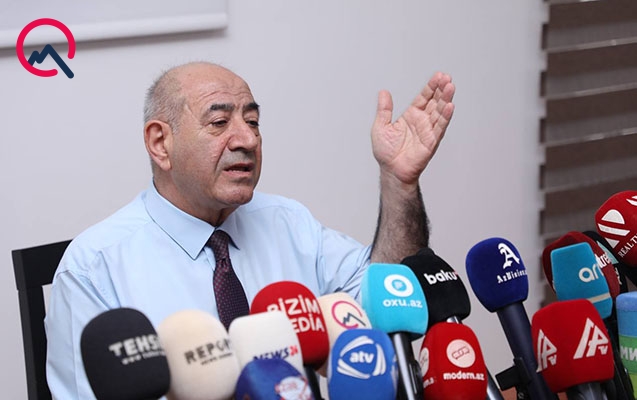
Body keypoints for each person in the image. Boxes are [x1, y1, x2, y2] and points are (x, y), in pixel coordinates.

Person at [45, 62, 455, 398]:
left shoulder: (288, 222)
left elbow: (388, 302)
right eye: (219, 121)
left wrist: (399, 182)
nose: (247, 139)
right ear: (159, 143)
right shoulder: (94, 268)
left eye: (253, 121)